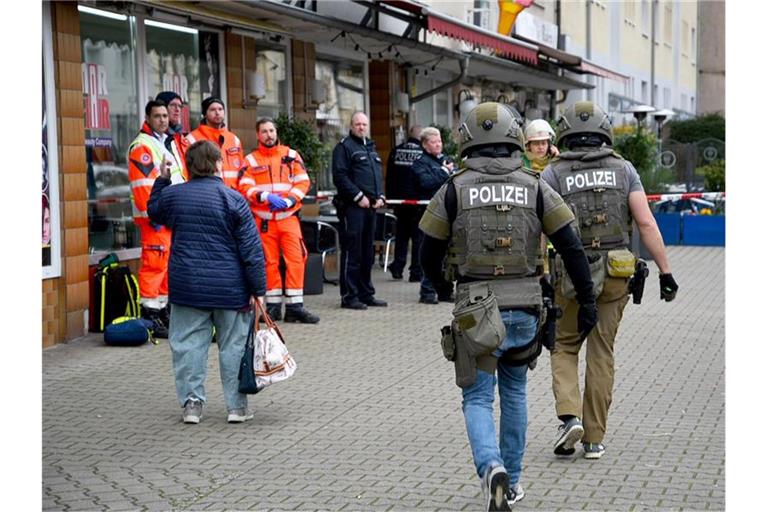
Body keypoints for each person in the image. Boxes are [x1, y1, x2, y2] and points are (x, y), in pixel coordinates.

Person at [419, 102, 597, 510]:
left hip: (475, 309)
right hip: (527, 307)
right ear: (514, 137)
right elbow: (570, 244)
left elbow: (427, 250)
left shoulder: (452, 188)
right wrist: (586, 299)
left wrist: (441, 285)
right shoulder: (535, 185)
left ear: (466, 138)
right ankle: (512, 483)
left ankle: (490, 468)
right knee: (514, 393)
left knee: (478, 398)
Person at [542, 101, 679, 460]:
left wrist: (539, 274)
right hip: (617, 274)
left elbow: (539, 230)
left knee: (565, 346)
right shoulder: (624, 169)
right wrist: (666, 273)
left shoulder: (553, 173)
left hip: (570, 275)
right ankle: (594, 439)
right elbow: (647, 223)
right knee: (602, 352)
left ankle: (569, 417)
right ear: (605, 130)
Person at [147, 140, 267, 425]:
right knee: (234, 347)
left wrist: (162, 180)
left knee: (188, 346)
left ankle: (191, 405)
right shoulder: (233, 199)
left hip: (188, 287)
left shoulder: (175, 196)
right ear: (217, 164)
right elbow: (251, 250)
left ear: (188, 166)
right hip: (231, 290)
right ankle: (236, 408)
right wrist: (258, 290)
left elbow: (153, 211)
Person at [238, 118, 319, 324]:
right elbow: (245, 186)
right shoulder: (251, 160)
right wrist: (266, 197)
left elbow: (303, 181)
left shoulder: (291, 155)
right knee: (269, 263)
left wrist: (288, 200)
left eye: (271, 130)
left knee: (296, 259)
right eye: (264, 131)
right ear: (258, 135)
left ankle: (295, 307)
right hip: (264, 220)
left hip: (288, 216)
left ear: (276, 132)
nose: (269, 135)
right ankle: (272, 307)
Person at [127, 99, 185, 338]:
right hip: (155, 218)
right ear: (148, 118)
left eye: (164, 115)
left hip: (169, 215)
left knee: (165, 267)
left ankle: (162, 313)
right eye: (157, 116)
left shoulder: (165, 143)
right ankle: (150, 315)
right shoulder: (142, 146)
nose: (163, 119)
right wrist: (155, 214)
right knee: (154, 266)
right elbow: (143, 186)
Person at [331, 112, 388, 310]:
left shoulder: (370, 147)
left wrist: (380, 196)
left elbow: (377, 176)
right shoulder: (344, 147)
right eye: (358, 124)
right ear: (351, 126)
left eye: (364, 124)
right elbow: (340, 176)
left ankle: (366, 293)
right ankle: (349, 296)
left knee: (367, 254)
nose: (361, 127)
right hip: (352, 208)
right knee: (352, 252)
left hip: (371, 207)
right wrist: (358, 197)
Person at [410, 126, 455, 304]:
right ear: (424, 144)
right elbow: (425, 183)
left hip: (447, 213)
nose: (438, 145)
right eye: (433, 142)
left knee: (446, 255)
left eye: (439, 141)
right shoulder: (420, 163)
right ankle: (427, 291)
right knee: (431, 254)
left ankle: (445, 290)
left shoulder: (445, 160)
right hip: (428, 215)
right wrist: (444, 172)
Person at [385, 125, 423, 281]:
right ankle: (415, 271)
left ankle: (398, 267)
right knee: (417, 237)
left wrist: (390, 199)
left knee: (401, 235)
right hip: (418, 202)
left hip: (399, 202)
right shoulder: (423, 153)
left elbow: (390, 176)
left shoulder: (396, 151)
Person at [186, 97, 243, 189]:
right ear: (205, 114)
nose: (217, 112)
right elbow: (187, 171)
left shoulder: (234, 139)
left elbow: (242, 171)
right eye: (212, 109)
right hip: (206, 193)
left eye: (220, 109)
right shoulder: (192, 139)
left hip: (232, 194)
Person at [156, 91, 190, 182]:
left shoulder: (181, 136)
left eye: (180, 106)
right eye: (173, 105)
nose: (177, 109)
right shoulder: (156, 136)